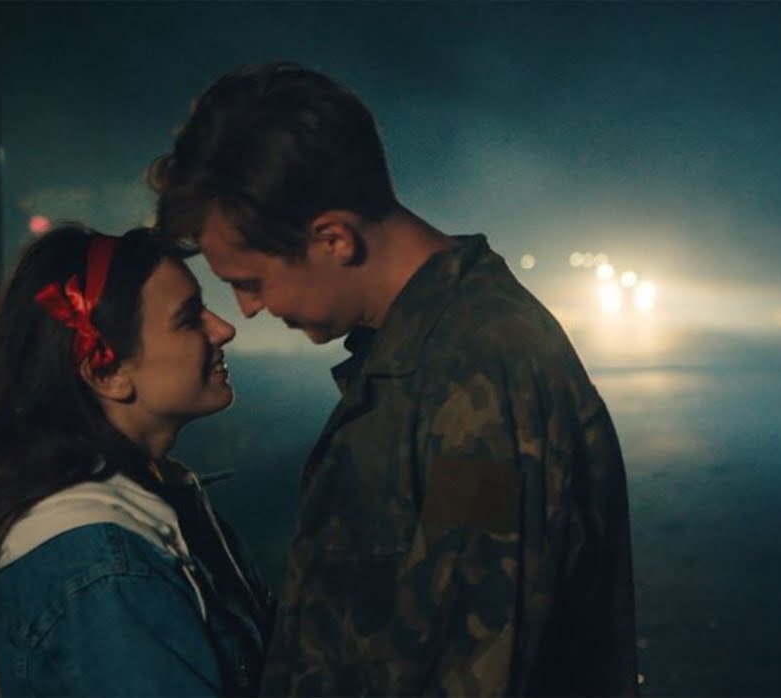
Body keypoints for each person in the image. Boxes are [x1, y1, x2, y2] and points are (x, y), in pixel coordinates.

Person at [149, 63, 638, 696]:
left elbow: (477, 662)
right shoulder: (429, 353)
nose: (247, 310)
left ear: (334, 239)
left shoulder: (475, 375)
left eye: (251, 282)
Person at [0, 225, 274, 697]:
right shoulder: (101, 565)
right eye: (190, 319)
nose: (224, 329)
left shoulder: (148, 514)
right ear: (106, 373)